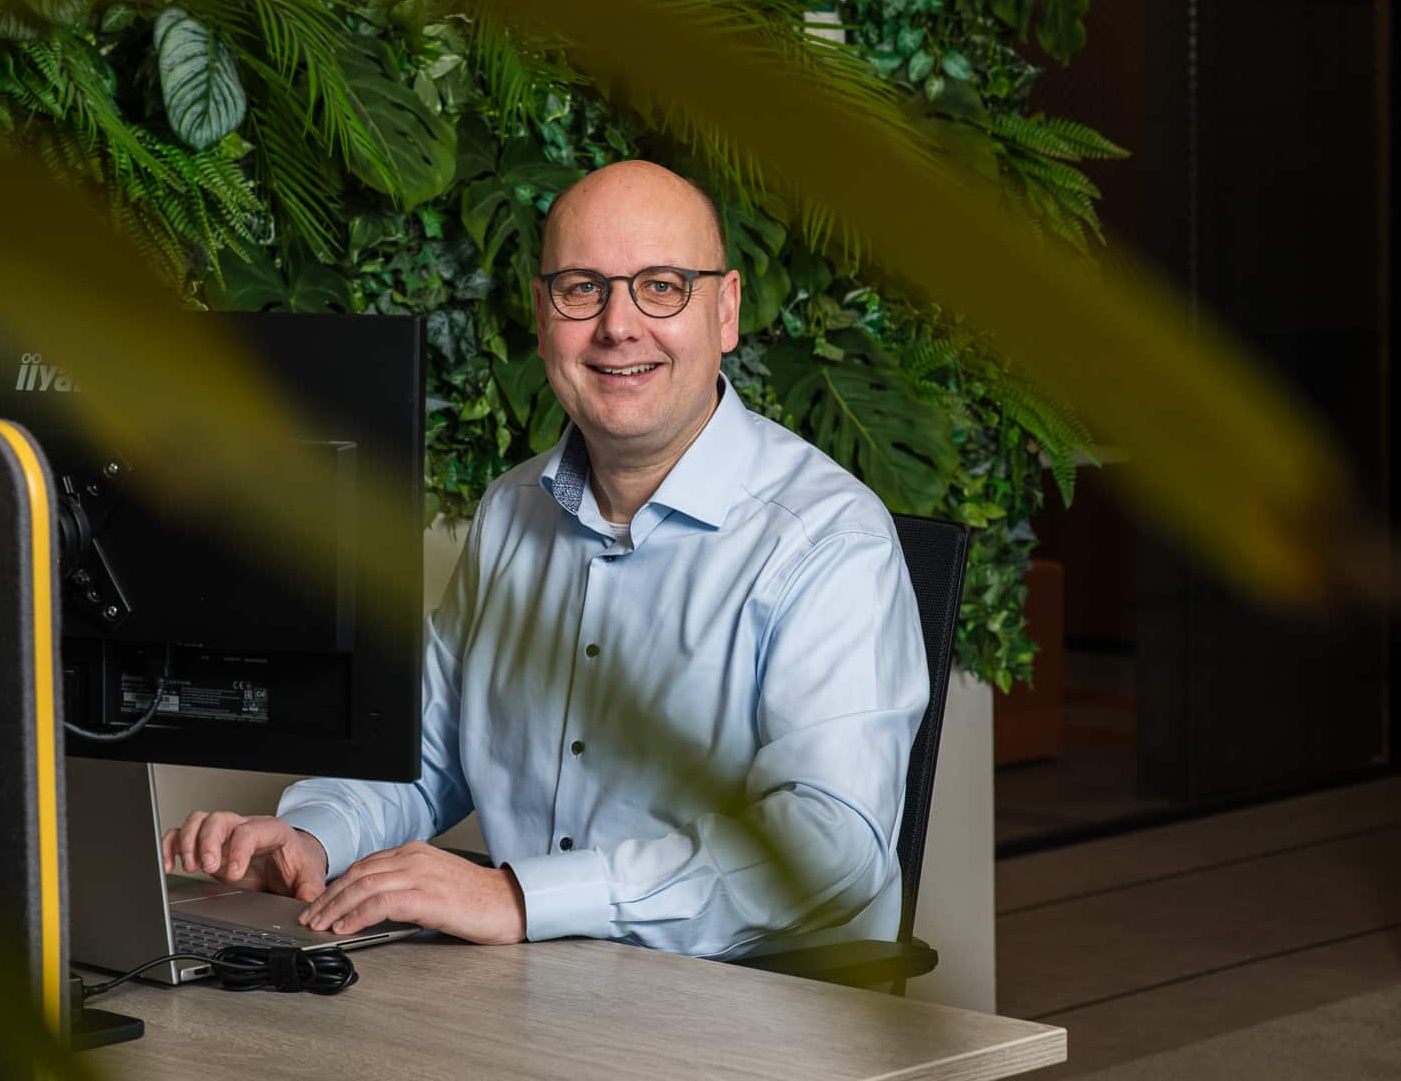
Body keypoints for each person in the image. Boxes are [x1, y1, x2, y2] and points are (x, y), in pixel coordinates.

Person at [161, 159, 929, 960]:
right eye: (581, 289)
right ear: (542, 313)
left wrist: (522, 898)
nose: (618, 326)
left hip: (757, 997)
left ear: (725, 310)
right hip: (532, 980)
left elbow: (826, 849)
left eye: (662, 287)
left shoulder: (830, 541)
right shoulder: (512, 511)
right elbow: (426, 752)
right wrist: (312, 837)